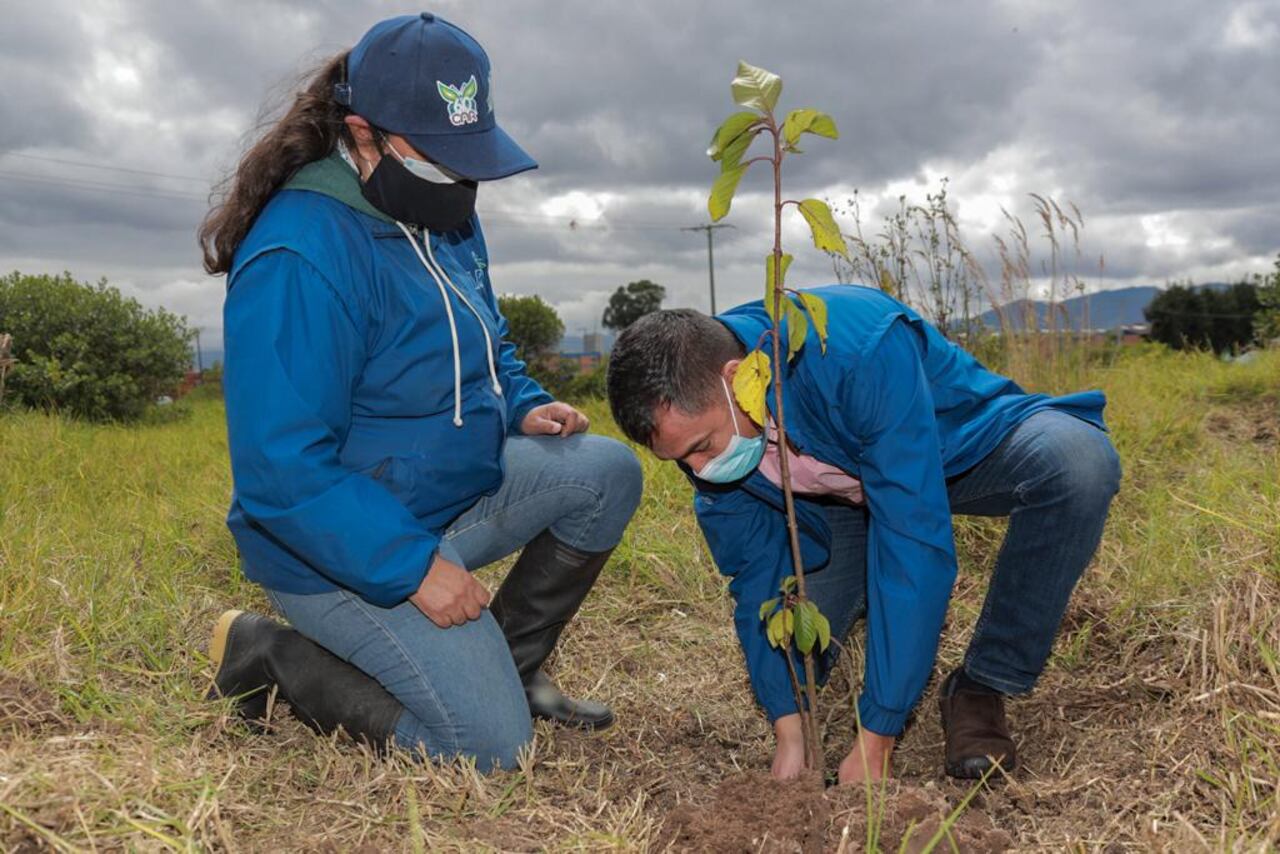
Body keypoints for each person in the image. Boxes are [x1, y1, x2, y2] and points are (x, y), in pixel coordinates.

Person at [197, 13, 642, 771]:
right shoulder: (300, 254)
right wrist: (411, 568)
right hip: (333, 548)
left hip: (443, 501)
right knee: (492, 751)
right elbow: (282, 470)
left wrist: (524, 400)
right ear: (363, 133)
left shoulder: (441, 212)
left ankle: (512, 669)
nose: (460, 179)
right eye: (439, 157)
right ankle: (267, 655)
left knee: (605, 473)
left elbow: (488, 339)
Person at [605, 285, 1121, 783]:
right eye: (682, 459)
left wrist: (877, 736)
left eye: (703, 445)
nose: (701, 468)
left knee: (1077, 466)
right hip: (834, 507)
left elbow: (914, 541)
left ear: (738, 378)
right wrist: (790, 730)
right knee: (799, 653)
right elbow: (755, 572)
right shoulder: (702, 438)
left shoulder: (856, 351)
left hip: (945, 455)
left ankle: (981, 686)